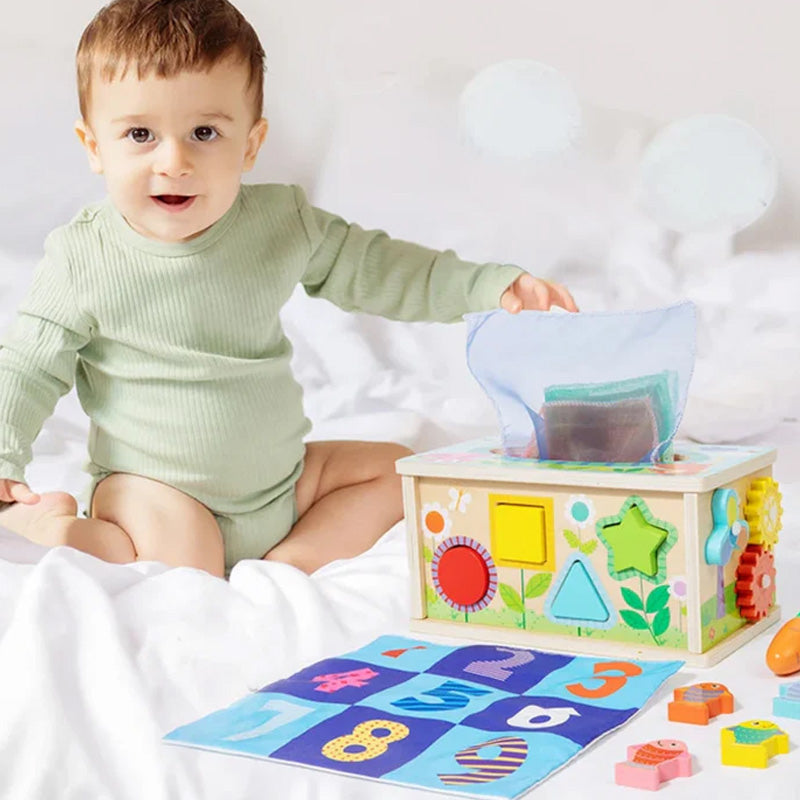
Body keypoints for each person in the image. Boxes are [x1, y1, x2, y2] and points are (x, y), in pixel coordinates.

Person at [0, 0, 576, 579]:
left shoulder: (280, 223)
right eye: (140, 134)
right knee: (187, 566)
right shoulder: (82, 256)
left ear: (251, 145)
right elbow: (27, 367)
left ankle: (290, 561)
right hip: (153, 492)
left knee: (398, 471)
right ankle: (45, 526)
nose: (174, 161)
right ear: (94, 146)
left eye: (204, 132)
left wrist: (485, 286)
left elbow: (379, 267)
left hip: (281, 484)